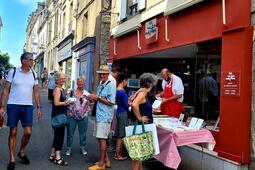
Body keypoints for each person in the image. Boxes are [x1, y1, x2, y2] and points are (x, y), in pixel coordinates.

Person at [0, 52, 42, 170]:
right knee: (13, 132)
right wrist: (1, 106)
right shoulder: (13, 72)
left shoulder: (33, 74)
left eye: (32, 60)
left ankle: (21, 151)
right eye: (30, 60)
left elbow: (36, 92)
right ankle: (12, 158)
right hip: (13, 105)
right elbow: (5, 90)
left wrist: (39, 107)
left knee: (28, 132)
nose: (32, 62)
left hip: (28, 106)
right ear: (23, 61)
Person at [88, 65, 116, 170]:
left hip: (105, 116)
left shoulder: (111, 85)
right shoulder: (101, 84)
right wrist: (92, 98)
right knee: (100, 138)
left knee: (103, 138)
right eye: (100, 73)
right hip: (99, 114)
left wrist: (98, 97)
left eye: (103, 73)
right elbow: (99, 98)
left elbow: (111, 102)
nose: (101, 75)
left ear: (108, 74)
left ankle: (101, 164)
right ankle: (106, 160)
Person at [130, 73, 158, 170]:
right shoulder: (142, 93)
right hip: (140, 127)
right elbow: (134, 105)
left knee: (140, 155)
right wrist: (140, 118)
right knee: (138, 156)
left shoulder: (139, 91)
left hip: (139, 127)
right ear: (150, 85)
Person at [65, 76, 94, 156]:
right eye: (79, 82)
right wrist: (72, 100)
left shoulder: (87, 94)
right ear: (77, 83)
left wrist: (89, 106)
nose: (80, 83)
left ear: (84, 83)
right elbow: (67, 101)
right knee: (70, 133)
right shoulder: (72, 92)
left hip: (83, 116)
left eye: (82, 82)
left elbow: (91, 104)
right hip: (71, 116)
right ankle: (69, 148)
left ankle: (82, 147)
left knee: (83, 133)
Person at [49, 72, 70, 166]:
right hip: (59, 115)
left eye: (64, 78)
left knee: (57, 134)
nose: (63, 80)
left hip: (59, 114)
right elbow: (56, 103)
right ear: (57, 80)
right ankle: (57, 157)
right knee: (60, 135)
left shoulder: (61, 89)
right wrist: (66, 103)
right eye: (61, 79)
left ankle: (52, 154)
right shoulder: (57, 89)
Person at [114, 73, 128, 161]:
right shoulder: (122, 92)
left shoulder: (116, 90)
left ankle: (118, 153)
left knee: (119, 134)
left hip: (118, 111)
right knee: (121, 136)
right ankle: (117, 155)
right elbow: (126, 105)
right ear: (124, 81)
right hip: (123, 113)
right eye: (126, 81)